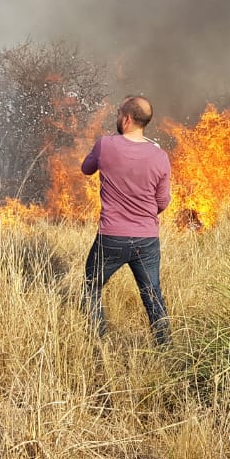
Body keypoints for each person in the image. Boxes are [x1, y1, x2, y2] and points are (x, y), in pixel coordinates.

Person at [80, 95, 173, 345]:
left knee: (92, 287)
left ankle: (97, 342)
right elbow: (163, 201)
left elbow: (86, 169)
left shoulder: (105, 145)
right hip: (147, 239)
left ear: (127, 119)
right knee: (152, 294)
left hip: (111, 238)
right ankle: (165, 346)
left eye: (119, 113)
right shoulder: (160, 156)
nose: (117, 117)